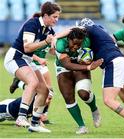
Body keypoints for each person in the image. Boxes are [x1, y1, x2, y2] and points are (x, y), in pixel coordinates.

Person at [55, 18, 124, 136]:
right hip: (122, 61)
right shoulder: (99, 32)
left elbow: (74, 30)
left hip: (112, 63)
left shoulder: (89, 29)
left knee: (108, 100)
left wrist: (55, 37)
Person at [4, 1, 61, 132]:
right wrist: (46, 41)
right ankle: (21, 117)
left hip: (27, 60)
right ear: (45, 15)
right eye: (54, 17)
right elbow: (27, 47)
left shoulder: (49, 30)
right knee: (33, 82)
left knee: (45, 90)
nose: (56, 20)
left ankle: (35, 123)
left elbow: (52, 50)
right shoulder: (33, 23)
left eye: (58, 17)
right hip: (15, 57)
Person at [55, 27, 103, 134]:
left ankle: (94, 109)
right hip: (63, 67)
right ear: (68, 39)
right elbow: (67, 64)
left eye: (79, 44)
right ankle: (81, 126)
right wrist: (88, 67)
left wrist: (91, 59)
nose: (76, 47)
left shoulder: (86, 41)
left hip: (80, 64)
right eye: (74, 44)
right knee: (68, 97)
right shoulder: (60, 44)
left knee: (84, 94)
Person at [9, 44, 55, 124]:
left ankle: (43, 116)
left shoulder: (49, 33)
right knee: (39, 91)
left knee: (49, 92)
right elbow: (25, 50)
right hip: (31, 64)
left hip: (42, 64)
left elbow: (50, 49)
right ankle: (34, 117)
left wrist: (61, 51)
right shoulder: (34, 34)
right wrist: (38, 59)